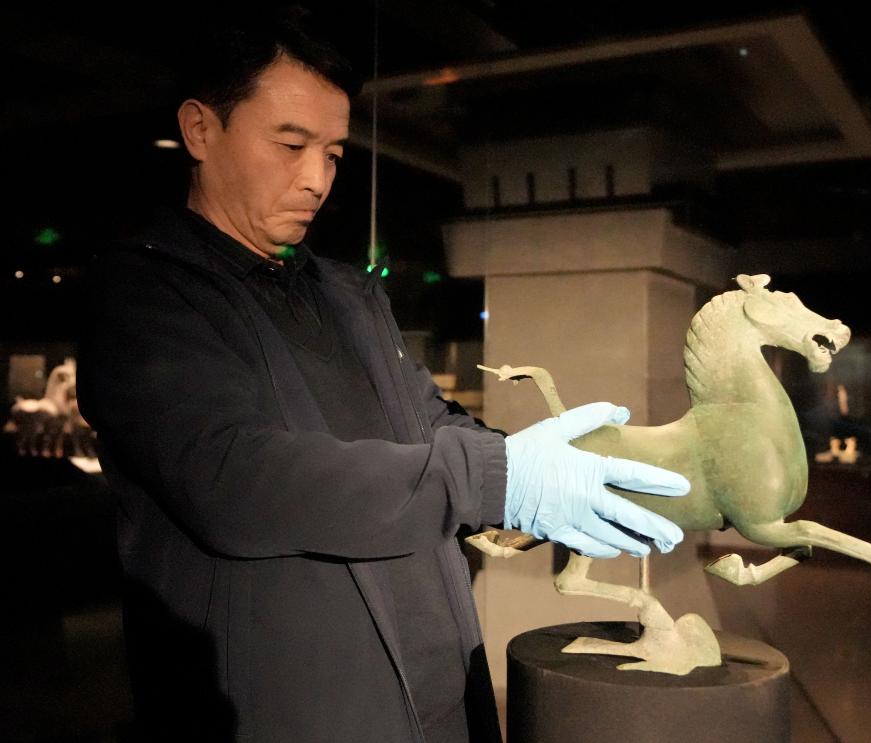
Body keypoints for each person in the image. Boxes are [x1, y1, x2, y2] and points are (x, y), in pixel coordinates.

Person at [78, 8, 689, 742]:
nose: (317, 179)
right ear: (201, 130)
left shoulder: (347, 294)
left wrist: (550, 463)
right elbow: (234, 478)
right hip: (296, 711)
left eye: (333, 153)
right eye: (291, 144)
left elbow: (426, 420)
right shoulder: (145, 295)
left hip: (438, 694)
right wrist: (496, 479)